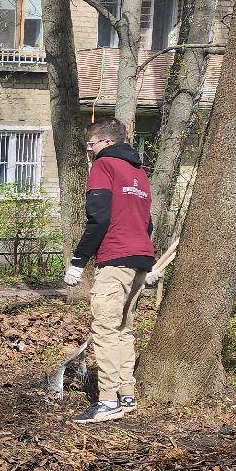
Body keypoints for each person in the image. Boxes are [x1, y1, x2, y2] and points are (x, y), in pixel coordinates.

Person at [62, 117, 155, 425]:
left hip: (115, 259)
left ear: (107, 143)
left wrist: (78, 261)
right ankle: (127, 395)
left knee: (104, 330)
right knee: (123, 330)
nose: (89, 150)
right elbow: (147, 222)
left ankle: (107, 401)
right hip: (140, 259)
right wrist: (148, 262)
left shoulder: (104, 166)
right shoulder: (139, 172)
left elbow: (98, 218)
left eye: (91, 144)